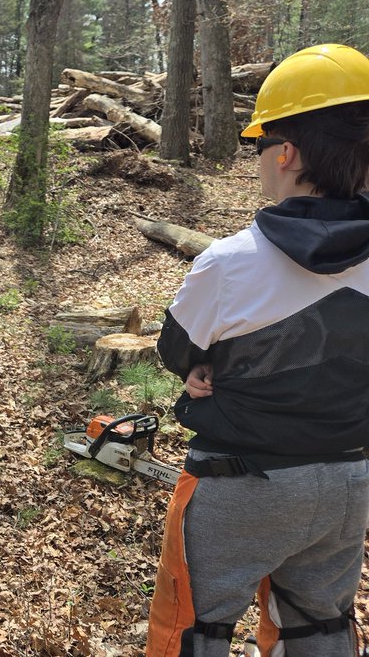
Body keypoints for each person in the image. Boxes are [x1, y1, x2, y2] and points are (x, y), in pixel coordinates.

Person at [147, 44, 369, 657]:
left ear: (287, 152)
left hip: (239, 479)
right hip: (348, 480)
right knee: (321, 627)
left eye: (260, 146)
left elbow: (177, 348)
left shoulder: (229, 263)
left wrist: (203, 368)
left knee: (193, 626)